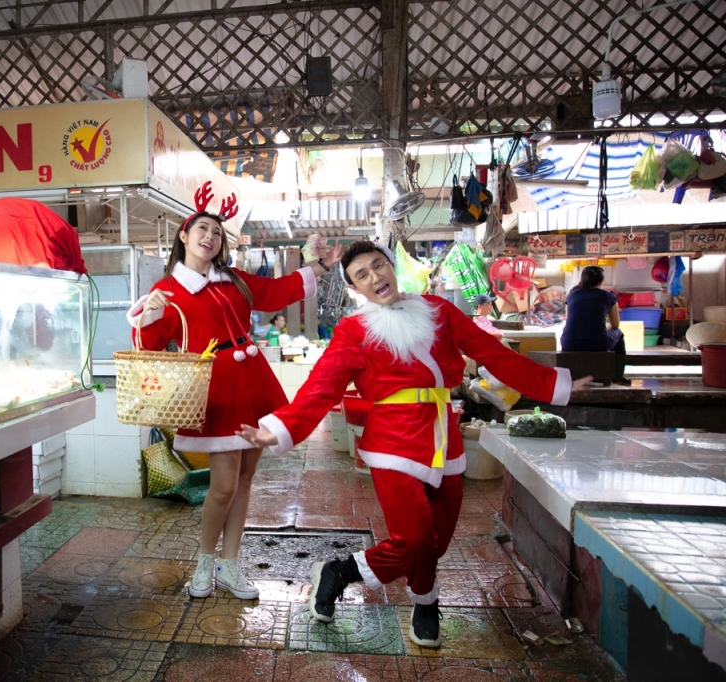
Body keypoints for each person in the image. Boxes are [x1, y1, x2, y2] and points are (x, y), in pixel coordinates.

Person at [237, 241, 592, 648]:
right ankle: (425, 602)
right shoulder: (354, 330)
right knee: (417, 537)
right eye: (362, 276)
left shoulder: (440, 311)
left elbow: (491, 351)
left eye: (378, 266)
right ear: (355, 288)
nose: (375, 278)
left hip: (444, 437)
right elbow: (322, 386)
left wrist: (554, 383)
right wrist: (280, 427)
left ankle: (342, 571)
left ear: (391, 266)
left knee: (437, 539)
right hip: (392, 440)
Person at [129, 208, 342, 601]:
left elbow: (277, 292)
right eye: (202, 229)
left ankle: (229, 563)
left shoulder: (233, 279)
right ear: (183, 235)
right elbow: (148, 348)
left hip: (253, 380)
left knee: (245, 479)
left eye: (216, 232)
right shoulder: (168, 290)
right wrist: (149, 311)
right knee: (224, 486)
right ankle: (205, 561)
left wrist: (320, 266)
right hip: (216, 389)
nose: (209, 236)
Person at [560, 265, 626, 382]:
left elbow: (570, 320)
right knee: (619, 334)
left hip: (569, 343)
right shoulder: (607, 296)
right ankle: (618, 376)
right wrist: (605, 326)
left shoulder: (571, 295)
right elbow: (615, 325)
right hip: (597, 343)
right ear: (601, 281)